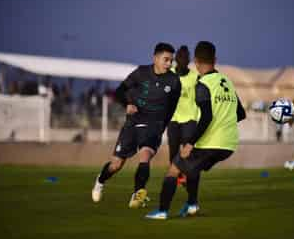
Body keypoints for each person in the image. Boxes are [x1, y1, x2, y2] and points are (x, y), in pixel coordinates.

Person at [145, 41, 246, 220]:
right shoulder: (228, 82)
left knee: (173, 169)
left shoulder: (203, 84)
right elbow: (240, 113)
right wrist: (223, 124)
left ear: (197, 62)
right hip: (229, 145)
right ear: (215, 60)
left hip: (211, 142)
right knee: (192, 169)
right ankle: (192, 205)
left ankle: (162, 211)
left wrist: (190, 143)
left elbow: (206, 117)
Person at [91, 42, 181, 208]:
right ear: (155, 58)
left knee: (145, 155)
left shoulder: (174, 81)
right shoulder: (141, 73)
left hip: (154, 125)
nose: (169, 64)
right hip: (133, 124)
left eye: (171, 60)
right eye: (166, 59)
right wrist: (127, 104)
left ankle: (138, 193)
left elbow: (172, 107)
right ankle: (100, 180)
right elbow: (118, 92)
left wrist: (163, 126)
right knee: (116, 165)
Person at [168, 45, 199, 186]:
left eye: (185, 57)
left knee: (187, 151)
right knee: (173, 150)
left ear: (188, 60)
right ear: (176, 59)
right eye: (180, 57)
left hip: (189, 119)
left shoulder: (195, 77)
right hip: (173, 119)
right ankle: (176, 176)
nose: (182, 60)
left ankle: (186, 175)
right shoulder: (169, 75)